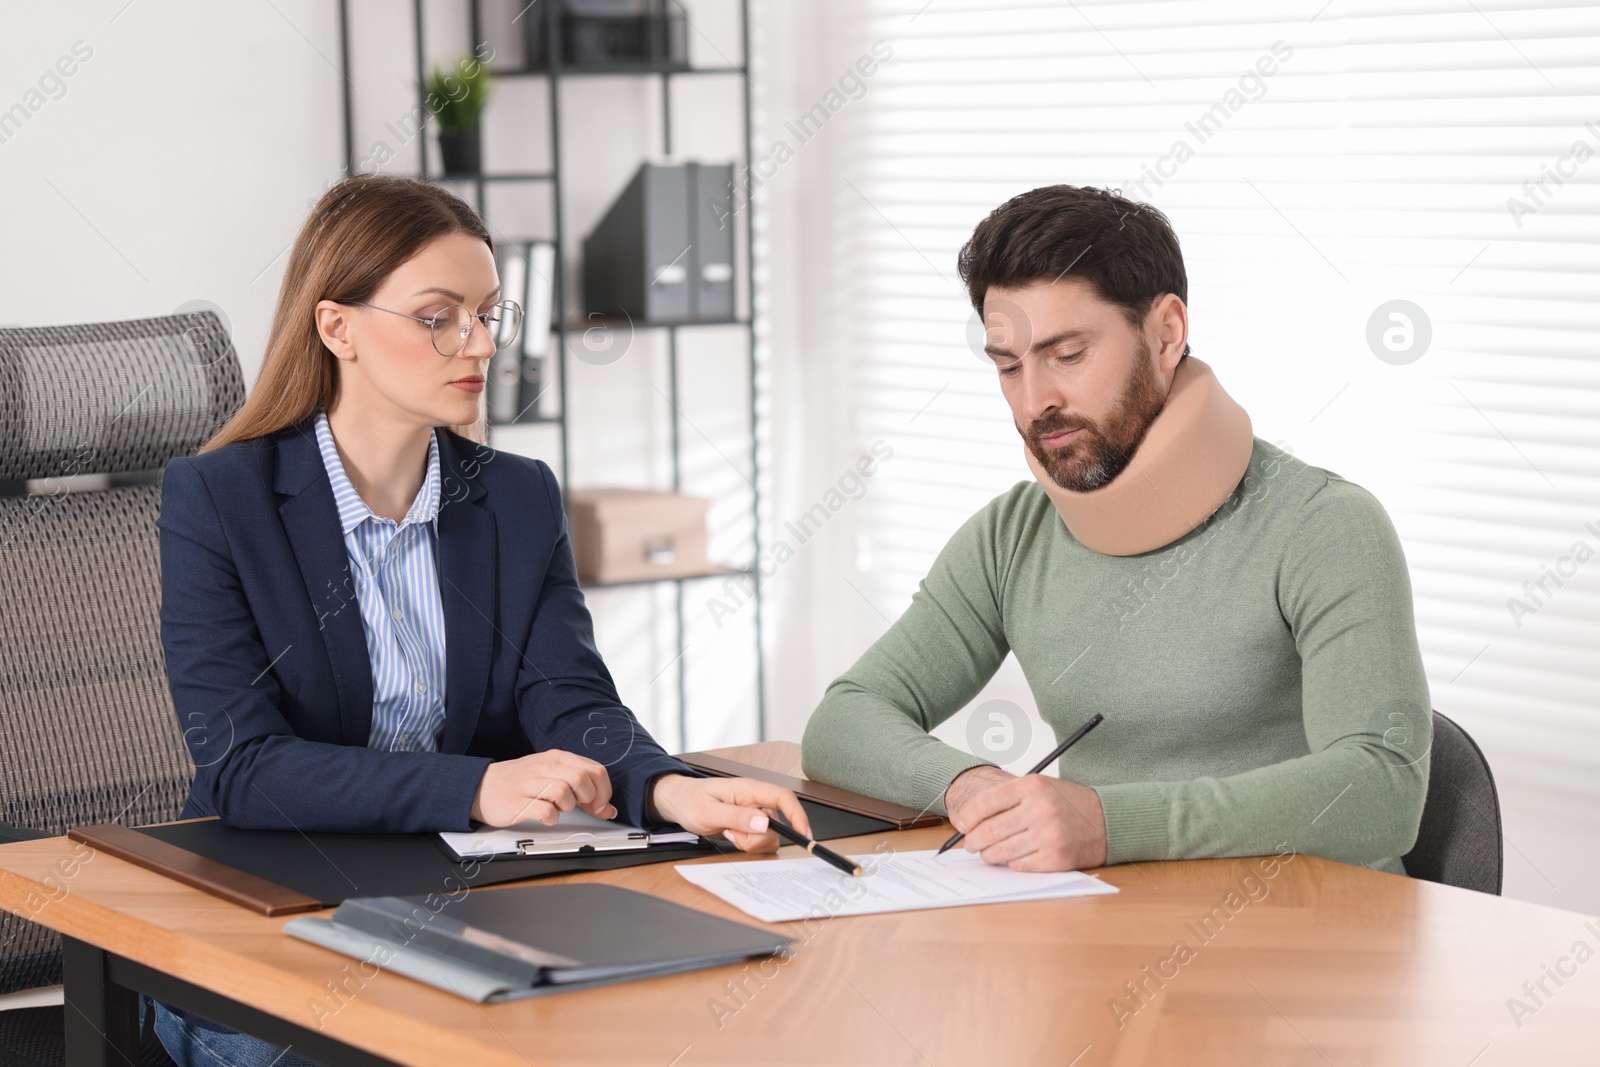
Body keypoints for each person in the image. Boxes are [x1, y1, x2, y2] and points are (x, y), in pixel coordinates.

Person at [151, 175, 809, 1067]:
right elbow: (243, 768)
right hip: (265, 916)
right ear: (337, 325)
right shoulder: (220, 500)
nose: (483, 342)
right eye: (439, 316)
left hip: (462, 904)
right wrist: (477, 787)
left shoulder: (514, 496)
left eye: (489, 312)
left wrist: (666, 788)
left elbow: (570, 700)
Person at [802, 184, 1431, 877]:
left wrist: (1111, 823)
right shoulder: (1013, 536)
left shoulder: (1323, 525)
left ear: (1166, 334)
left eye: (1067, 354)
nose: (1035, 399)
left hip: (1317, 941)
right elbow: (846, 718)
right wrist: (974, 789)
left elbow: (1380, 785)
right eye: (1009, 367)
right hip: (1111, 932)